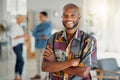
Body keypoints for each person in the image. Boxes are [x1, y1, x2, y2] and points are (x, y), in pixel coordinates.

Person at [42, 3, 97, 80]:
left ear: (79, 17)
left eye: (73, 15)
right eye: (65, 15)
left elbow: (83, 72)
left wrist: (55, 62)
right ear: (62, 17)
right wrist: (70, 63)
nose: (68, 18)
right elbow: (45, 67)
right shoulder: (53, 38)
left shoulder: (88, 41)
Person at [31, 11, 52, 80]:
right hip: (37, 46)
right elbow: (33, 34)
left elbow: (45, 34)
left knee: (45, 61)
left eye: (41, 16)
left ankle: (47, 76)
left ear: (45, 17)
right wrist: (41, 36)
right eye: (39, 16)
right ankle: (38, 75)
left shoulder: (49, 25)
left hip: (44, 46)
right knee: (37, 61)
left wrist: (38, 34)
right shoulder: (38, 26)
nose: (39, 17)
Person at [10, 15, 27, 80]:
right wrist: (23, 35)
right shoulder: (14, 26)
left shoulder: (19, 26)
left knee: (18, 61)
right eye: (21, 19)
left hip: (20, 45)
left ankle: (16, 76)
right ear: (17, 19)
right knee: (22, 61)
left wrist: (23, 37)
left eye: (22, 19)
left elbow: (19, 36)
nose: (22, 20)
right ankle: (19, 76)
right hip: (16, 46)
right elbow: (13, 36)